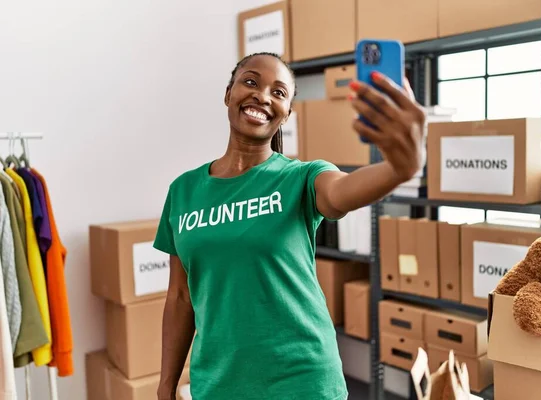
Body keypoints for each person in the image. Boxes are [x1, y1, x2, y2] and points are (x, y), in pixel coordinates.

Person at [153, 52, 426, 400]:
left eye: (279, 92)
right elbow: (179, 298)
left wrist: (399, 169)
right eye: (250, 82)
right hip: (218, 384)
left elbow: (342, 191)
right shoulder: (183, 191)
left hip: (303, 382)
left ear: (286, 114)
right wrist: (166, 384)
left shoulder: (301, 177)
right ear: (228, 94)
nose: (263, 96)